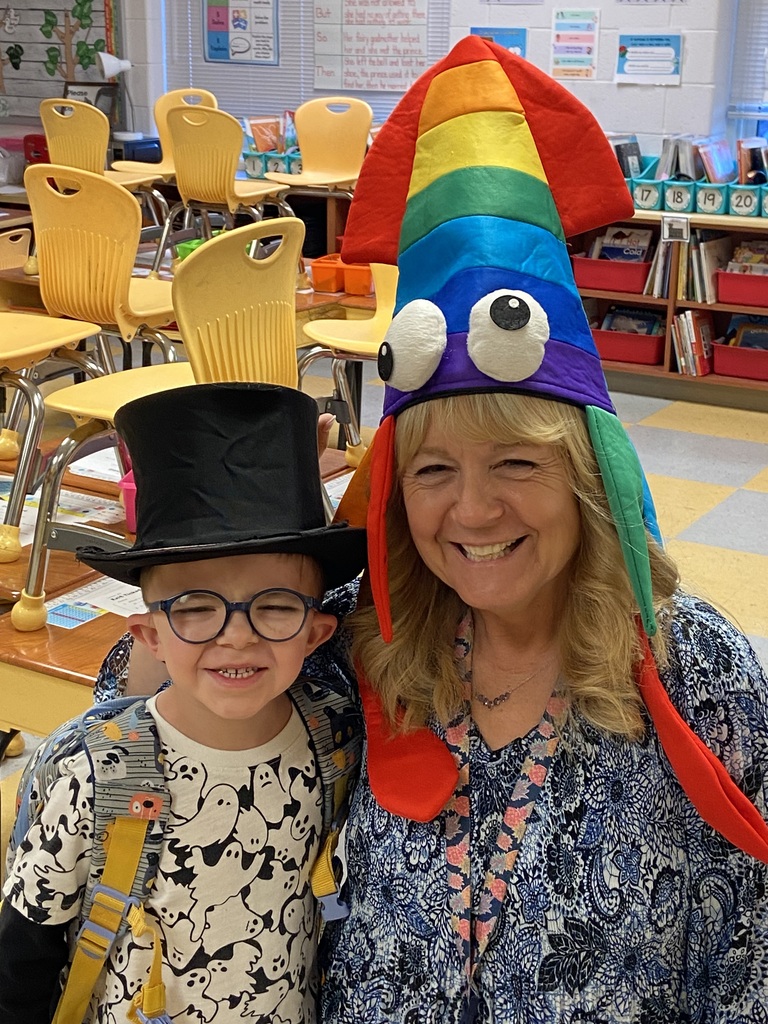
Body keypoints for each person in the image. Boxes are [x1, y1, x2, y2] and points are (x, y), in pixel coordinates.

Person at [90, 37, 768, 1021]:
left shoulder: (695, 677)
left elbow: (752, 959)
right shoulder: (375, 639)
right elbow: (146, 717)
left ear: (586, 477)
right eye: (434, 470)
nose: (473, 511)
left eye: (518, 463)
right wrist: (201, 571)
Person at [0, 382, 366, 1024]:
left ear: (317, 632)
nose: (237, 635)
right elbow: (22, 954)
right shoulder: (95, 772)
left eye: (275, 605)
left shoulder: (335, 741)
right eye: (196, 607)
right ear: (148, 636)